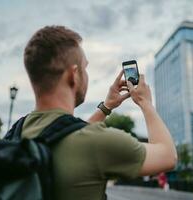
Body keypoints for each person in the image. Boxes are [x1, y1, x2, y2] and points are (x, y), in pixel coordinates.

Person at [22, 26, 177, 200]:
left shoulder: (17, 132)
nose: (86, 75)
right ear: (73, 75)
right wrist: (145, 103)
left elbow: (64, 135)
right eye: (84, 68)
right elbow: (168, 156)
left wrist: (107, 106)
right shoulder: (98, 142)